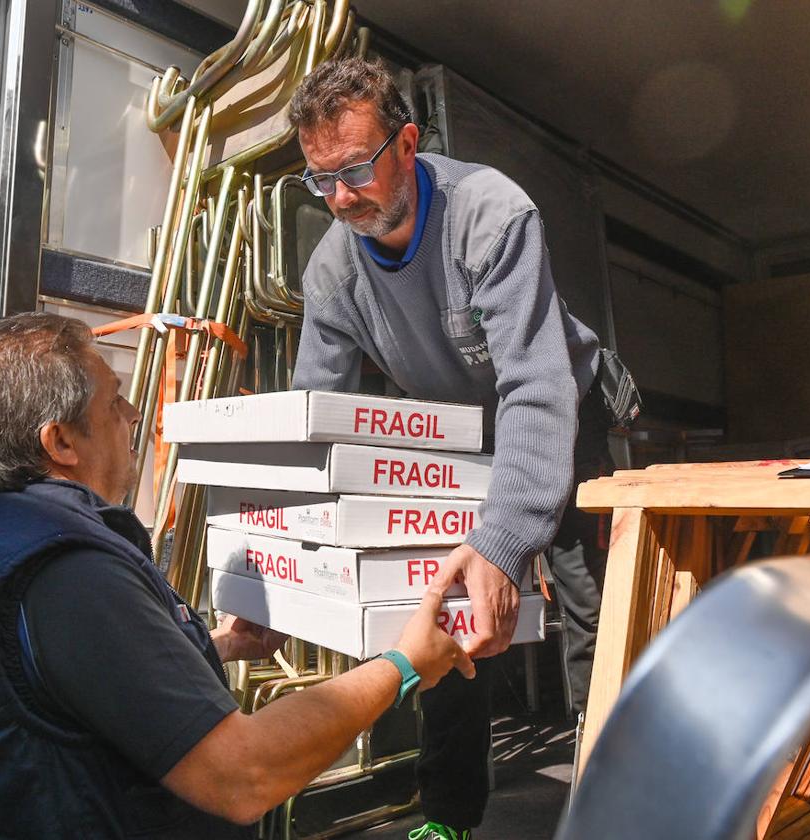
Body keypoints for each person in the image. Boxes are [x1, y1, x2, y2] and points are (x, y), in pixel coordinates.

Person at [0, 311, 476, 838]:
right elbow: (243, 774)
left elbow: (84, 691)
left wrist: (220, 645)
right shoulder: (66, 573)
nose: (132, 416)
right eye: (114, 402)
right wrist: (402, 665)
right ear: (61, 441)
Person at [287, 58, 614, 839]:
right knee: (447, 608)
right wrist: (296, 554)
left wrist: (504, 544)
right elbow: (315, 414)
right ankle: (448, 816)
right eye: (319, 178)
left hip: (561, 407)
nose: (339, 197)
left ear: (406, 143)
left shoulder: (491, 215)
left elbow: (536, 389)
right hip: (451, 430)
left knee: (593, 606)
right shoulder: (332, 270)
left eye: (357, 170)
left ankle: (613, 802)